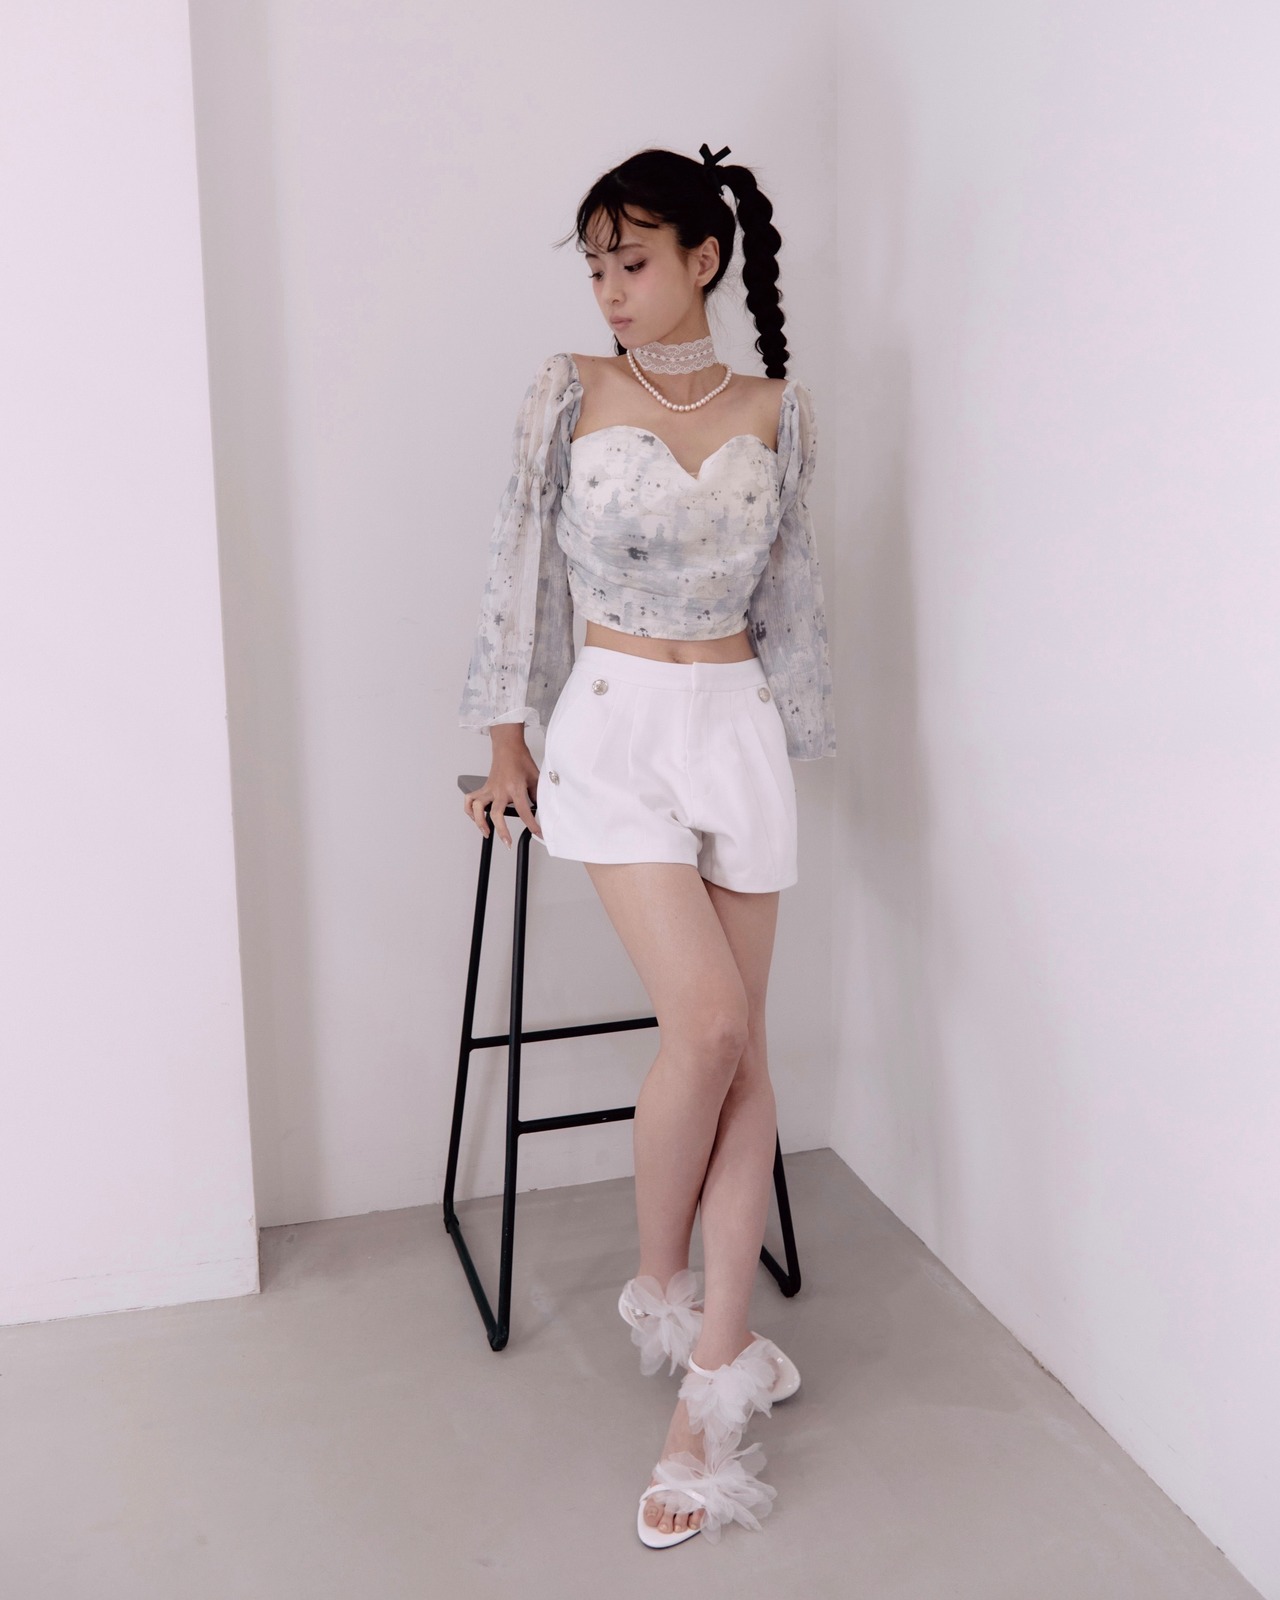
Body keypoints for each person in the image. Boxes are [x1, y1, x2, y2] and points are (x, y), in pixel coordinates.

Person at [457, 144, 836, 1547]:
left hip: (735, 727)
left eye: (633, 261)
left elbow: (792, 593)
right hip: (612, 727)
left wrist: (795, 736)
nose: (610, 289)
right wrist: (506, 742)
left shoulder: (781, 408)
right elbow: (515, 567)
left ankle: (714, 1368)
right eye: (596, 266)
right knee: (711, 1026)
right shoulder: (569, 389)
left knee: (747, 1051)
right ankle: (663, 1289)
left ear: (703, 259)